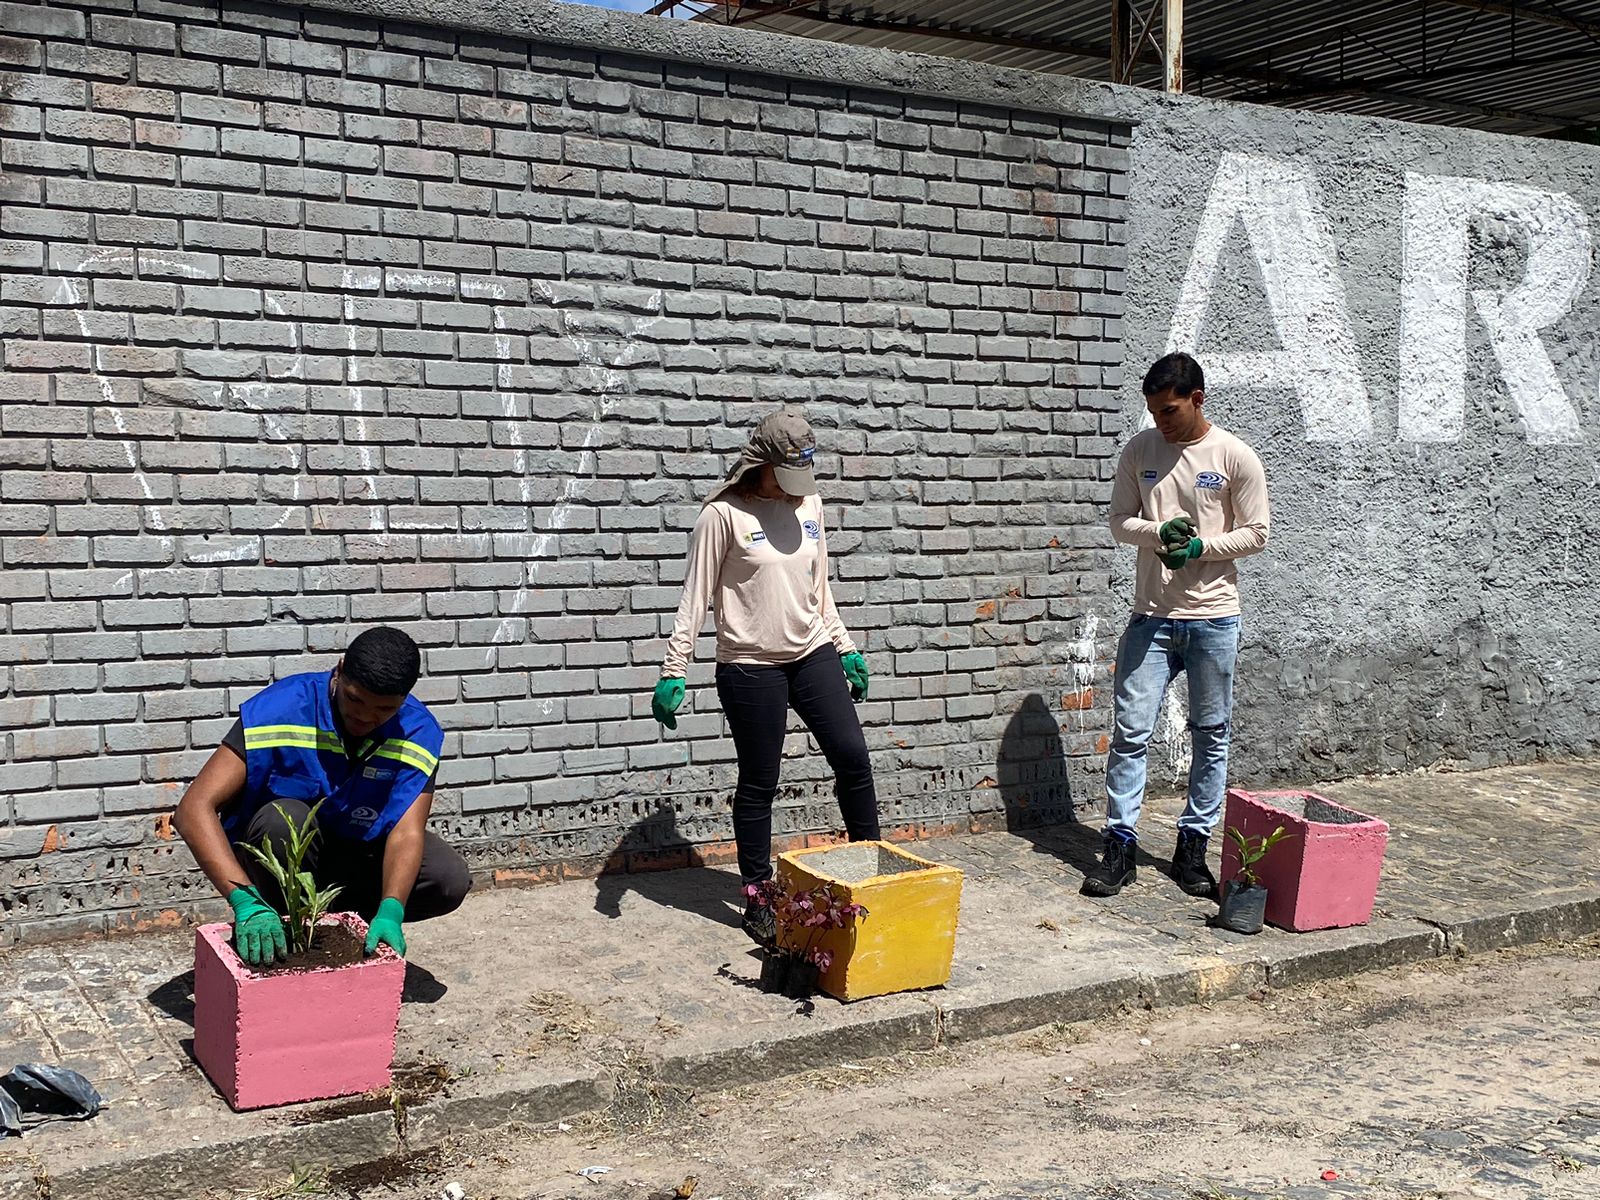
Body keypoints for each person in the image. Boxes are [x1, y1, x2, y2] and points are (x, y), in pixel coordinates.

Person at [652, 407, 880, 944]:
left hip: (812, 652)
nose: (795, 488)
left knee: (852, 756)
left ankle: (873, 867)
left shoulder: (810, 505)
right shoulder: (723, 516)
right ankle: (756, 893)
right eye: (786, 475)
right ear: (761, 464)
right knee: (760, 781)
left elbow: (818, 586)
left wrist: (845, 646)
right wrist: (674, 668)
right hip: (750, 666)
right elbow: (694, 598)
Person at [1083, 352, 1271, 900]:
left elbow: (1258, 533)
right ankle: (1119, 845)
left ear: (1197, 399)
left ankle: (1193, 846)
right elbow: (1120, 522)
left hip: (1214, 617)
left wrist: (1201, 547)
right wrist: (1160, 532)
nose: (1160, 422)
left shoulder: (1235, 456)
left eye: (1168, 411)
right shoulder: (1140, 450)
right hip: (1151, 618)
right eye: (1152, 411)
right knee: (1130, 733)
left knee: (1211, 735)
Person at [174, 626, 471, 964]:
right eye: (355, 698)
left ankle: (343, 927)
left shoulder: (418, 733)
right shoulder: (282, 709)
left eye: (384, 710)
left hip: (354, 854)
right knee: (283, 821)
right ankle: (277, 926)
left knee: (447, 876)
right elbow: (193, 808)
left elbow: (407, 831)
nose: (365, 716)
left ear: (403, 701)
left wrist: (391, 908)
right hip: (276, 861)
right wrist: (245, 900)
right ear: (339, 670)